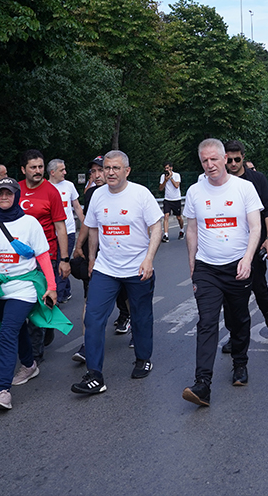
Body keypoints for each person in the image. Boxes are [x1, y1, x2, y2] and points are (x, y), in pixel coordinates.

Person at [0, 177, 72, 411]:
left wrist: (52, 287)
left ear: (16, 196)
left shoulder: (30, 223)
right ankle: (29, 364)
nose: (4, 197)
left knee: (7, 333)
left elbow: (43, 257)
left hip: (24, 287)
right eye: (0, 194)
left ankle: (3, 390)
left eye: (9, 193)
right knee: (17, 329)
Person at [71, 151, 163, 395]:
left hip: (137, 267)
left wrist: (149, 259)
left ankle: (143, 358)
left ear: (127, 171)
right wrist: (91, 258)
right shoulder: (97, 195)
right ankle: (94, 375)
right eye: (106, 168)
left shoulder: (140, 194)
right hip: (106, 268)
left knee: (141, 316)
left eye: (115, 168)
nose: (110, 172)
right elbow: (92, 229)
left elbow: (156, 225)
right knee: (92, 319)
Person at [180, 139, 262, 407]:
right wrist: (192, 264)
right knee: (206, 321)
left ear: (225, 158)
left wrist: (247, 259)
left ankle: (240, 362)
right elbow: (191, 229)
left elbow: (255, 227)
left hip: (237, 264)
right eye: (204, 161)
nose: (209, 165)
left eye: (214, 159)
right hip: (207, 268)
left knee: (238, 319)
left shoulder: (244, 188)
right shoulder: (194, 191)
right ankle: (202, 384)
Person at [17, 150, 70, 361]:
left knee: (38, 302)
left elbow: (61, 228)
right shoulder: (14, 190)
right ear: (23, 170)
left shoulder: (51, 192)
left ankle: (34, 354)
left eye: (40, 167)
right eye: (33, 167)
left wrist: (64, 260)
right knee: (22, 302)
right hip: (18, 258)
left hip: (46, 255)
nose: (38, 171)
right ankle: (46, 326)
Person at [224, 140, 268, 331]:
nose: (232, 163)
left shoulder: (258, 179)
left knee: (258, 285)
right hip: (230, 246)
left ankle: (267, 312)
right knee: (232, 294)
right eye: (229, 160)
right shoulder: (218, 182)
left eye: (236, 159)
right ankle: (234, 335)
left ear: (243, 158)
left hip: (255, 244)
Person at [48, 158, 81, 304]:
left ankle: (58, 296)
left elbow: (77, 207)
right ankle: (66, 290)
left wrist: (86, 226)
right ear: (52, 172)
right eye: (62, 170)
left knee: (63, 261)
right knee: (54, 264)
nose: (65, 172)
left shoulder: (69, 186)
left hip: (68, 231)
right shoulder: (44, 187)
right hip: (50, 233)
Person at [159, 161, 185, 243]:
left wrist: (171, 178)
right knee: (166, 216)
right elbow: (160, 188)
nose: (166, 170)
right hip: (167, 199)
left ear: (171, 168)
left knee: (178, 217)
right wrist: (165, 181)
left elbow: (177, 186)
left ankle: (182, 230)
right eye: (165, 168)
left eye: (168, 168)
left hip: (176, 199)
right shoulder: (163, 176)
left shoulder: (177, 175)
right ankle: (166, 235)